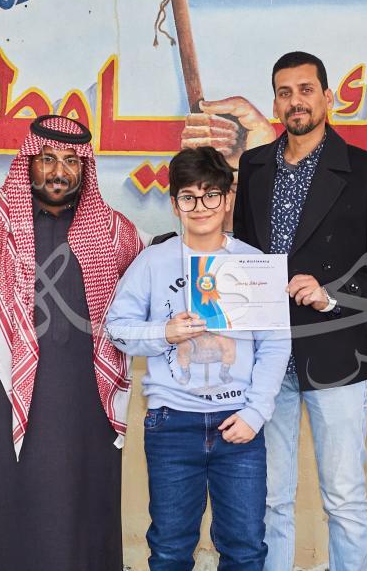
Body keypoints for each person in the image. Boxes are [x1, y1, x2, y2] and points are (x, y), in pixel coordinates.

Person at [0, 115, 143, 571]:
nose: (58, 171)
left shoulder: (114, 233)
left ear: (85, 167)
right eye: (47, 159)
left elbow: (151, 289)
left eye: (70, 161)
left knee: (78, 513)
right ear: (29, 163)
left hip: (85, 407)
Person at [233, 51, 367, 570]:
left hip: (340, 353)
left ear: (328, 98)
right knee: (270, 498)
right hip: (267, 358)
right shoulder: (254, 167)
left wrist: (333, 292)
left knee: (344, 498)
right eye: (285, 92)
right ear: (275, 103)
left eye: (306, 90)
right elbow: (242, 254)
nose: (296, 102)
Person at [104, 146, 290, 570]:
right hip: (171, 423)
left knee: (245, 548)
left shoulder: (253, 263)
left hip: (238, 422)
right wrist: (163, 332)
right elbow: (117, 327)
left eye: (211, 195)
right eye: (188, 197)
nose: (200, 206)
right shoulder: (153, 262)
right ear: (174, 205)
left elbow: (276, 343)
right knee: (170, 548)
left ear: (227, 200)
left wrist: (255, 413)